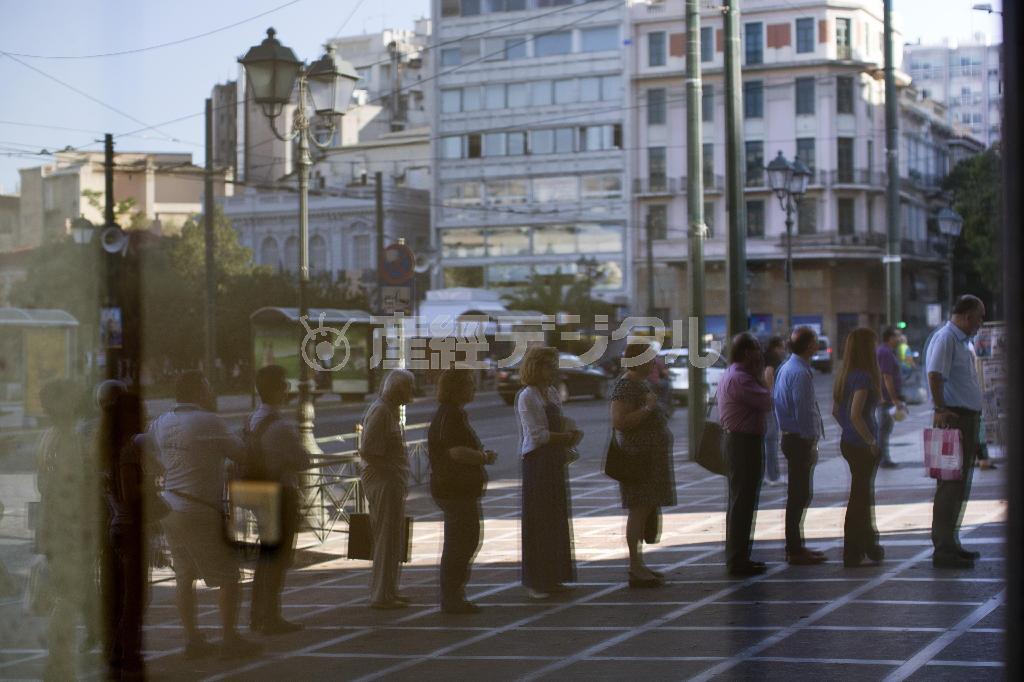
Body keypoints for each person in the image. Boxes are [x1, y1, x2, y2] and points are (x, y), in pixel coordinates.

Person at [147, 370, 260, 659]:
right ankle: (230, 638)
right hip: (200, 508)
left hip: (170, 506)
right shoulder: (209, 421)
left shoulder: (161, 421)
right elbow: (243, 454)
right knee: (229, 575)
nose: (213, 393)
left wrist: (168, 469)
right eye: (209, 387)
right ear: (198, 391)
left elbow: (148, 453)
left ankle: (193, 638)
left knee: (184, 576)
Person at [36, 379, 100, 679]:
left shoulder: (48, 436)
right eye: (74, 397)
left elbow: (43, 486)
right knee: (67, 597)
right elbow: (75, 490)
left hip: (52, 525)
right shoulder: (69, 440)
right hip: (70, 528)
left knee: (69, 592)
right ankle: (58, 662)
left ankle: (66, 653)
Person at [427, 369, 498, 614]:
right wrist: (483, 457)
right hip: (455, 488)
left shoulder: (451, 414)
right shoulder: (451, 416)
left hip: (456, 488)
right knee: (462, 542)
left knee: (463, 541)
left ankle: (455, 594)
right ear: (456, 389)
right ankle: (452, 597)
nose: (474, 389)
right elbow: (456, 451)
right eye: (469, 385)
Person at [247, 365, 310, 634]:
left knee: (265, 557)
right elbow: (303, 460)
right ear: (276, 390)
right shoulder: (281, 426)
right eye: (284, 384)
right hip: (281, 494)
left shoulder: (252, 420)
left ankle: (256, 615)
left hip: (258, 493)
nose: (288, 389)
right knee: (278, 559)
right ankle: (271, 617)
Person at [924, 294, 986, 569]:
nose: (981, 322)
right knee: (950, 485)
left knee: (959, 485)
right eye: (979, 316)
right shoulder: (946, 338)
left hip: (966, 417)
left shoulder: (962, 341)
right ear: (967, 315)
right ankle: (943, 549)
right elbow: (935, 374)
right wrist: (940, 408)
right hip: (954, 417)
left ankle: (952, 542)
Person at [517, 346, 582, 599]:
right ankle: (537, 580)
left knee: (555, 518)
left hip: (554, 459)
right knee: (539, 520)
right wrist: (564, 437)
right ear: (536, 367)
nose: (553, 370)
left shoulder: (552, 392)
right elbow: (537, 435)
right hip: (538, 462)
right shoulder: (528, 396)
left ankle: (554, 575)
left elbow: (560, 422)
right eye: (549, 365)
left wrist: (570, 435)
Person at [610, 342, 676, 587]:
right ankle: (635, 567)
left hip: (651, 459)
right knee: (638, 510)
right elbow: (619, 421)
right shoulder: (626, 386)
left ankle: (640, 564)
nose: (654, 363)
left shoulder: (640, 383)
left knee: (645, 509)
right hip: (638, 460)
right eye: (650, 359)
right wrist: (648, 408)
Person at [359, 369, 416, 609]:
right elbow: (368, 450)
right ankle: (381, 595)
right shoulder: (382, 411)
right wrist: (392, 471)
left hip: (390, 481)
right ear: (397, 389)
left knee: (393, 539)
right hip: (383, 482)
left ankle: (389, 591)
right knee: (386, 537)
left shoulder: (388, 410)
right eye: (409, 388)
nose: (412, 393)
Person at [717, 333, 772, 577]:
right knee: (742, 502)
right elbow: (768, 401)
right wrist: (767, 377)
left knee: (742, 501)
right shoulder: (741, 378)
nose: (762, 354)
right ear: (748, 353)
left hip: (742, 441)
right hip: (743, 443)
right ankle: (737, 559)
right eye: (758, 350)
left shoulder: (734, 374)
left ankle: (740, 557)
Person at [772, 327, 827, 565]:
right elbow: (802, 410)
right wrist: (810, 439)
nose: (818, 345)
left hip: (792, 437)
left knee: (799, 494)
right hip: (798, 440)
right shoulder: (799, 372)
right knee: (799, 495)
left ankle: (796, 546)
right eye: (815, 341)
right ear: (807, 346)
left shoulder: (789, 367)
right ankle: (794, 549)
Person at [832, 328, 884, 568]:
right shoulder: (863, 377)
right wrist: (870, 441)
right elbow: (855, 414)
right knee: (861, 497)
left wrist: (850, 432)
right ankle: (855, 548)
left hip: (849, 442)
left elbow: (837, 412)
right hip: (862, 445)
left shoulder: (844, 375)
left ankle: (867, 544)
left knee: (860, 495)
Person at [876, 327, 908, 469]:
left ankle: (883, 457)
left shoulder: (887, 351)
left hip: (886, 397)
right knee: (884, 429)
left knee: (885, 429)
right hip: (886, 398)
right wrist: (894, 398)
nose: (899, 338)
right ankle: (883, 459)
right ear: (889, 337)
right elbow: (886, 377)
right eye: (897, 336)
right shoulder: (885, 352)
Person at [762, 336, 787, 486]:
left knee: (766, 439)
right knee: (771, 439)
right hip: (769, 403)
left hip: (763, 402)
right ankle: (772, 475)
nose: (783, 350)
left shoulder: (764, 357)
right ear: (776, 347)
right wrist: (770, 394)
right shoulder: (772, 358)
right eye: (782, 347)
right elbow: (768, 374)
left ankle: (767, 474)